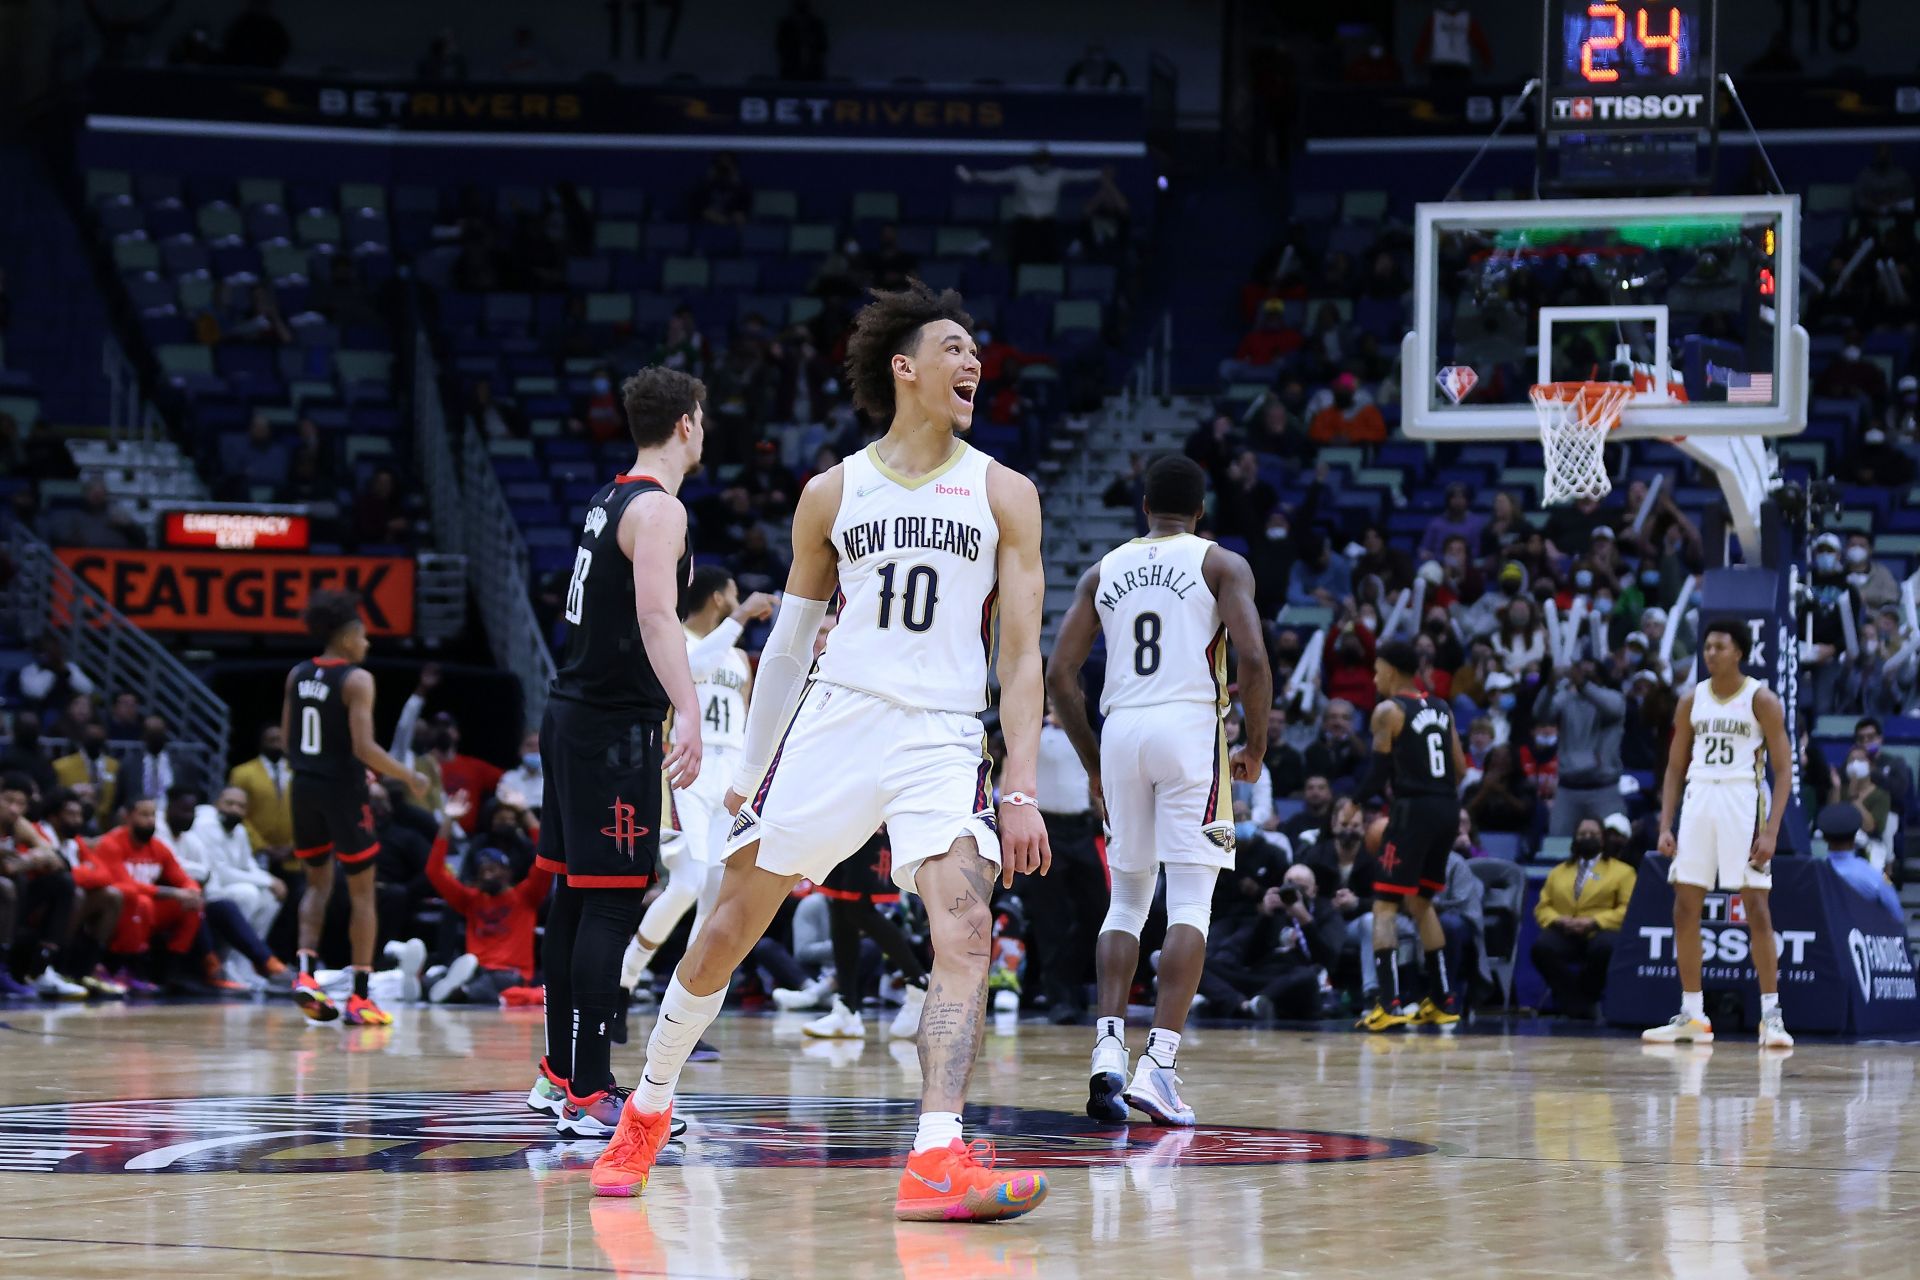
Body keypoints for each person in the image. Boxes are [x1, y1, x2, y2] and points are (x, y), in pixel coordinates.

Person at [604, 283, 1053, 1220]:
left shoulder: (1006, 492)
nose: (974, 364)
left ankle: (936, 1156)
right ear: (906, 367)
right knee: (726, 929)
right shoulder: (832, 492)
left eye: (979, 353)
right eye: (956, 349)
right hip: (836, 721)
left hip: (940, 732)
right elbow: (789, 648)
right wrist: (744, 775)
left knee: (967, 932)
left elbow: (1019, 652)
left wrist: (1019, 782)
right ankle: (647, 1105)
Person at [1047, 453, 1270, 1126]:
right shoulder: (1220, 563)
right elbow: (1254, 659)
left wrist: (1092, 762)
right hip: (1188, 726)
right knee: (1192, 901)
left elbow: (1060, 676)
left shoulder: (1103, 569)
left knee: (1128, 899)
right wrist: (1254, 745)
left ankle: (1108, 1049)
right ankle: (1160, 1066)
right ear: (1201, 512)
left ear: (1143, 508)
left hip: (1121, 731)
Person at [522, 367, 707, 1150]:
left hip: (570, 715)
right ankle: (592, 1089)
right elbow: (657, 615)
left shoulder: (609, 496)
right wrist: (689, 708)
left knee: (573, 897)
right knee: (607, 901)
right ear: (690, 425)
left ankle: (565, 1074)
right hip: (610, 727)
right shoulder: (660, 509)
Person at [620, 568, 775, 1003]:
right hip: (688, 768)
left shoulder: (740, 658)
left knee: (713, 890)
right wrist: (742, 618)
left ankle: (684, 1001)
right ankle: (625, 978)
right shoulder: (680, 642)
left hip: (729, 775)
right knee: (686, 883)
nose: (739, 597)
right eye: (734, 592)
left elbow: (746, 720)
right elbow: (694, 671)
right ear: (719, 598)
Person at [1643, 623, 1795, 1049]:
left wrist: (1771, 831)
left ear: (1739, 652)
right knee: (1684, 906)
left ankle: (1772, 1017)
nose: (1710, 652)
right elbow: (1674, 767)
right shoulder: (1691, 699)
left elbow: (1783, 771)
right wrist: (1665, 824)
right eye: (1706, 645)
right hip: (1699, 800)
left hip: (1742, 799)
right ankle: (1693, 1014)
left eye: (1719, 646)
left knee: (1756, 908)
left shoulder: (1761, 699)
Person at [285, 591, 430, 1027]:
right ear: (347, 637)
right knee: (364, 893)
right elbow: (364, 747)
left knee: (316, 885)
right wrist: (409, 776)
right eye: (364, 636)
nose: (367, 644)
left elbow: (290, 736)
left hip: (303, 786)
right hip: (342, 790)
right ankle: (360, 997)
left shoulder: (297, 674)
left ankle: (306, 975)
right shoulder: (356, 679)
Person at [1355, 640, 1466, 1030]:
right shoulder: (1442, 708)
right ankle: (1444, 1001)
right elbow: (1461, 769)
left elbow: (1377, 774)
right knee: (1421, 903)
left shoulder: (1388, 711)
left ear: (1391, 670)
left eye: (1377, 669)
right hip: (1447, 809)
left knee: (1384, 907)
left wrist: (1353, 804)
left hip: (1412, 811)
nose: (1373, 677)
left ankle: (1389, 1004)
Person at [426, 793, 552, 1003]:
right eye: (482, 870)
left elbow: (545, 857)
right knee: (435, 979)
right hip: (475, 967)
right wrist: (448, 821)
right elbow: (434, 871)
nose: (486, 875)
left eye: (492, 869)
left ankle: (459, 991)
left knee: (485, 986)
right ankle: (448, 988)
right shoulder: (471, 899)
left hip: (511, 973)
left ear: (508, 872)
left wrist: (523, 812)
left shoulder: (526, 895)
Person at [1197, 865, 1343, 1019]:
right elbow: (1248, 958)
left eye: (1302, 888)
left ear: (1314, 891)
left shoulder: (1328, 914)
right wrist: (1265, 917)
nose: (1296, 893)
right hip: (1262, 975)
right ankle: (1244, 1005)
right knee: (1199, 966)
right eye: (1290, 886)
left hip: (1294, 979)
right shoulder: (1275, 911)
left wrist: (1305, 920)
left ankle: (1234, 1002)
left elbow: (1329, 961)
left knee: (1308, 976)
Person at [1530, 816, 1634, 1018]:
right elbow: (1543, 907)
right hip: (1566, 930)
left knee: (1604, 948)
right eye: (1582, 834)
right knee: (1541, 948)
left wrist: (1594, 922)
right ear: (1575, 839)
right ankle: (1579, 1003)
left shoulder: (1623, 872)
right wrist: (1560, 920)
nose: (1587, 838)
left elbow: (1627, 909)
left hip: (1601, 930)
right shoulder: (1558, 872)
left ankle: (1582, 999)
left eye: (1593, 834)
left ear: (1603, 839)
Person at [955, 148, 1100, 269]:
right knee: (1020, 259)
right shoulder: (1020, 172)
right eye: (1039, 159)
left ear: (1049, 161)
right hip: (1025, 224)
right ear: (1033, 160)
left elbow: (1080, 176)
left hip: (1046, 224)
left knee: (1049, 260)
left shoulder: (1058, 174)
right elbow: (996, 177)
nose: (1042, 163)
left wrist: (1101, 173)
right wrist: (975, 175)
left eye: (1044, 160)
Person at [1534, 660, 1626, 835]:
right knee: (1558, 844)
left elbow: (1613, 708)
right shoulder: (1566, 698)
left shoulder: (1614, 698)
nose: (1582, 677)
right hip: (1568, 788)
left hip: (1603, 788)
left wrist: (1584, 684)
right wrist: (1550, 686)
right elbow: (1541, 714)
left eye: (1589, 674)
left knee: (1612, 843)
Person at [1815, 802, 1903, 921]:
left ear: (1824, 837)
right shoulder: (1874, 875)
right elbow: (1896, 914)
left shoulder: (1814, 874)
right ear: (1856, 834)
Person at [229, 725, 294, 863]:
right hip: (255, 852)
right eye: (271, 740)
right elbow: (237, 812)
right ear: (261, 743)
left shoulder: (298, 772)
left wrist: (294, 845)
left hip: (292, 854)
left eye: (279, 740)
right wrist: (262, 846)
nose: (276, 744)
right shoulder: (242, 773)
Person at [115, 716, 205, 811]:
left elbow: (194, 795)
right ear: (144, 735)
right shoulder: (129, 765)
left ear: (165, 734)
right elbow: (120, 800)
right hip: (140, 817)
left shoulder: (183, 764)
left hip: (173, 818)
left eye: (158, 733)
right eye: (152, 733)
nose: (155, 737)